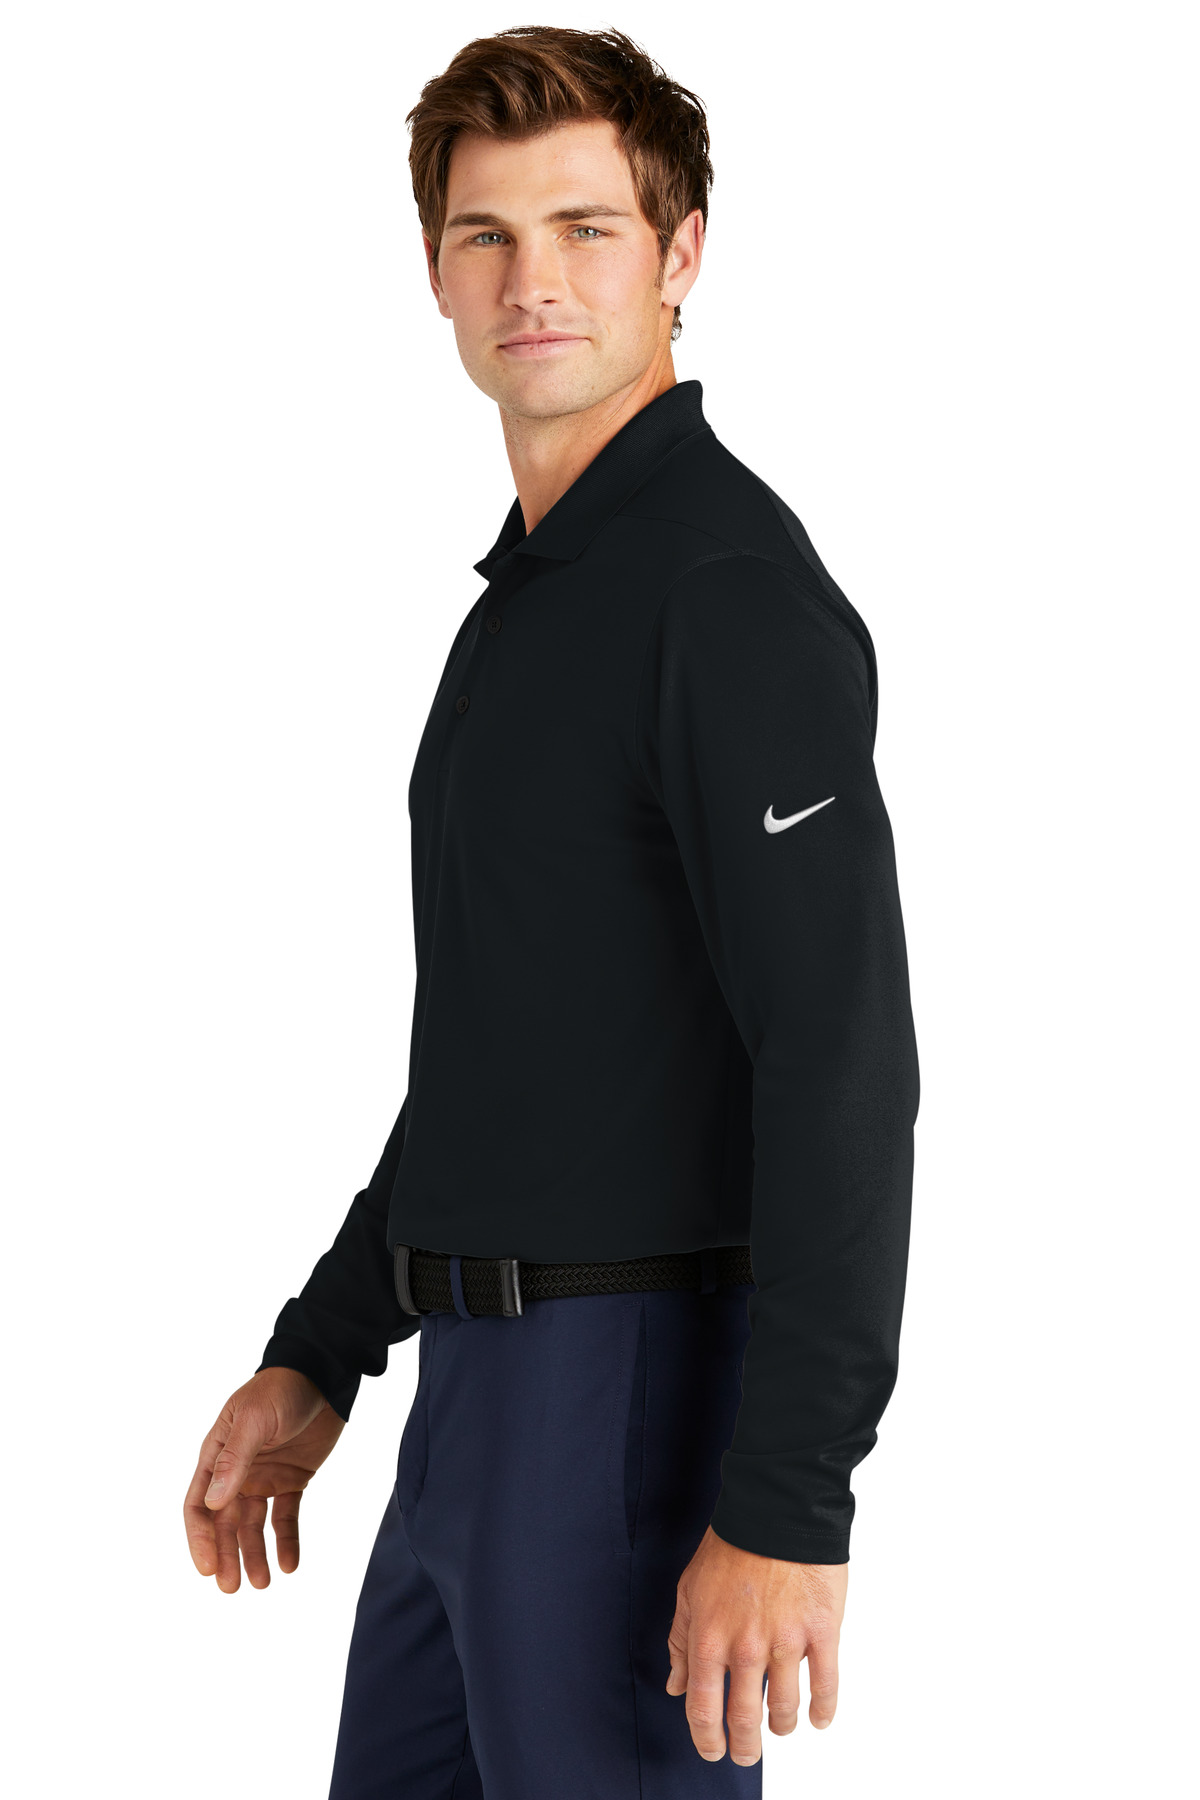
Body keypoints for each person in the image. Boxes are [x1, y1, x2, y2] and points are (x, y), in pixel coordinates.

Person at [183, 24, 919, 1798]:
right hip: (471, 1407)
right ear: (434, 271)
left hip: (629, 1411)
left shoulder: (721, 594)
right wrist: (325, 1346)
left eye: (587, 229)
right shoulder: (528, 609)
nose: (533, 281)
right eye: (487, 235)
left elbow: (839, 1057)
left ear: (681, 254)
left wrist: (787, 1501)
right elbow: (508, 1055)